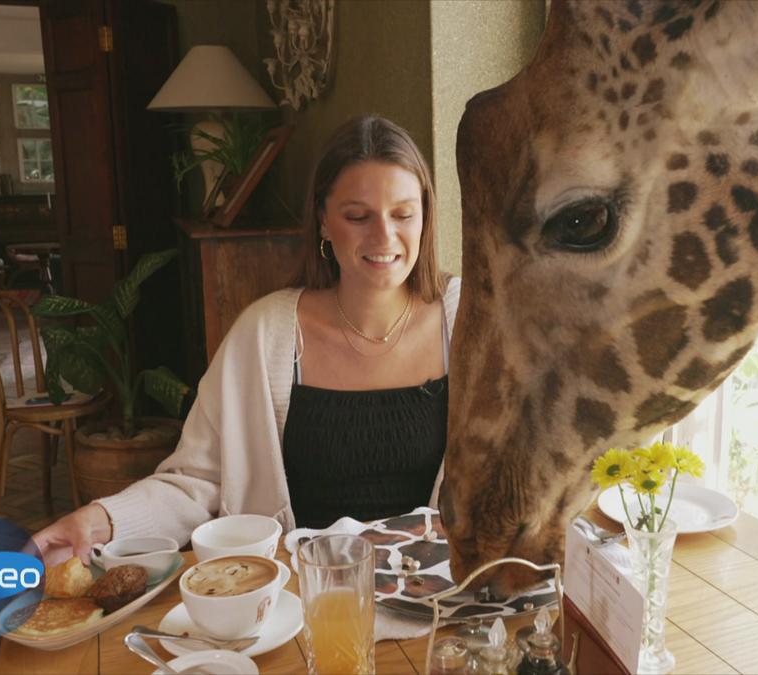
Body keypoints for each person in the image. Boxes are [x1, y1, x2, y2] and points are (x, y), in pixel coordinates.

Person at [34, 115, 460, 566]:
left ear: (426, 216)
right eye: (358, 216)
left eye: (403, 214)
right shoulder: (263, 335)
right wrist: (96, 520)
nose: (384, 236)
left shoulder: (472, 321)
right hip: (303, 607)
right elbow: (197, 484)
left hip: (439, 608)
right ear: (322, 221)